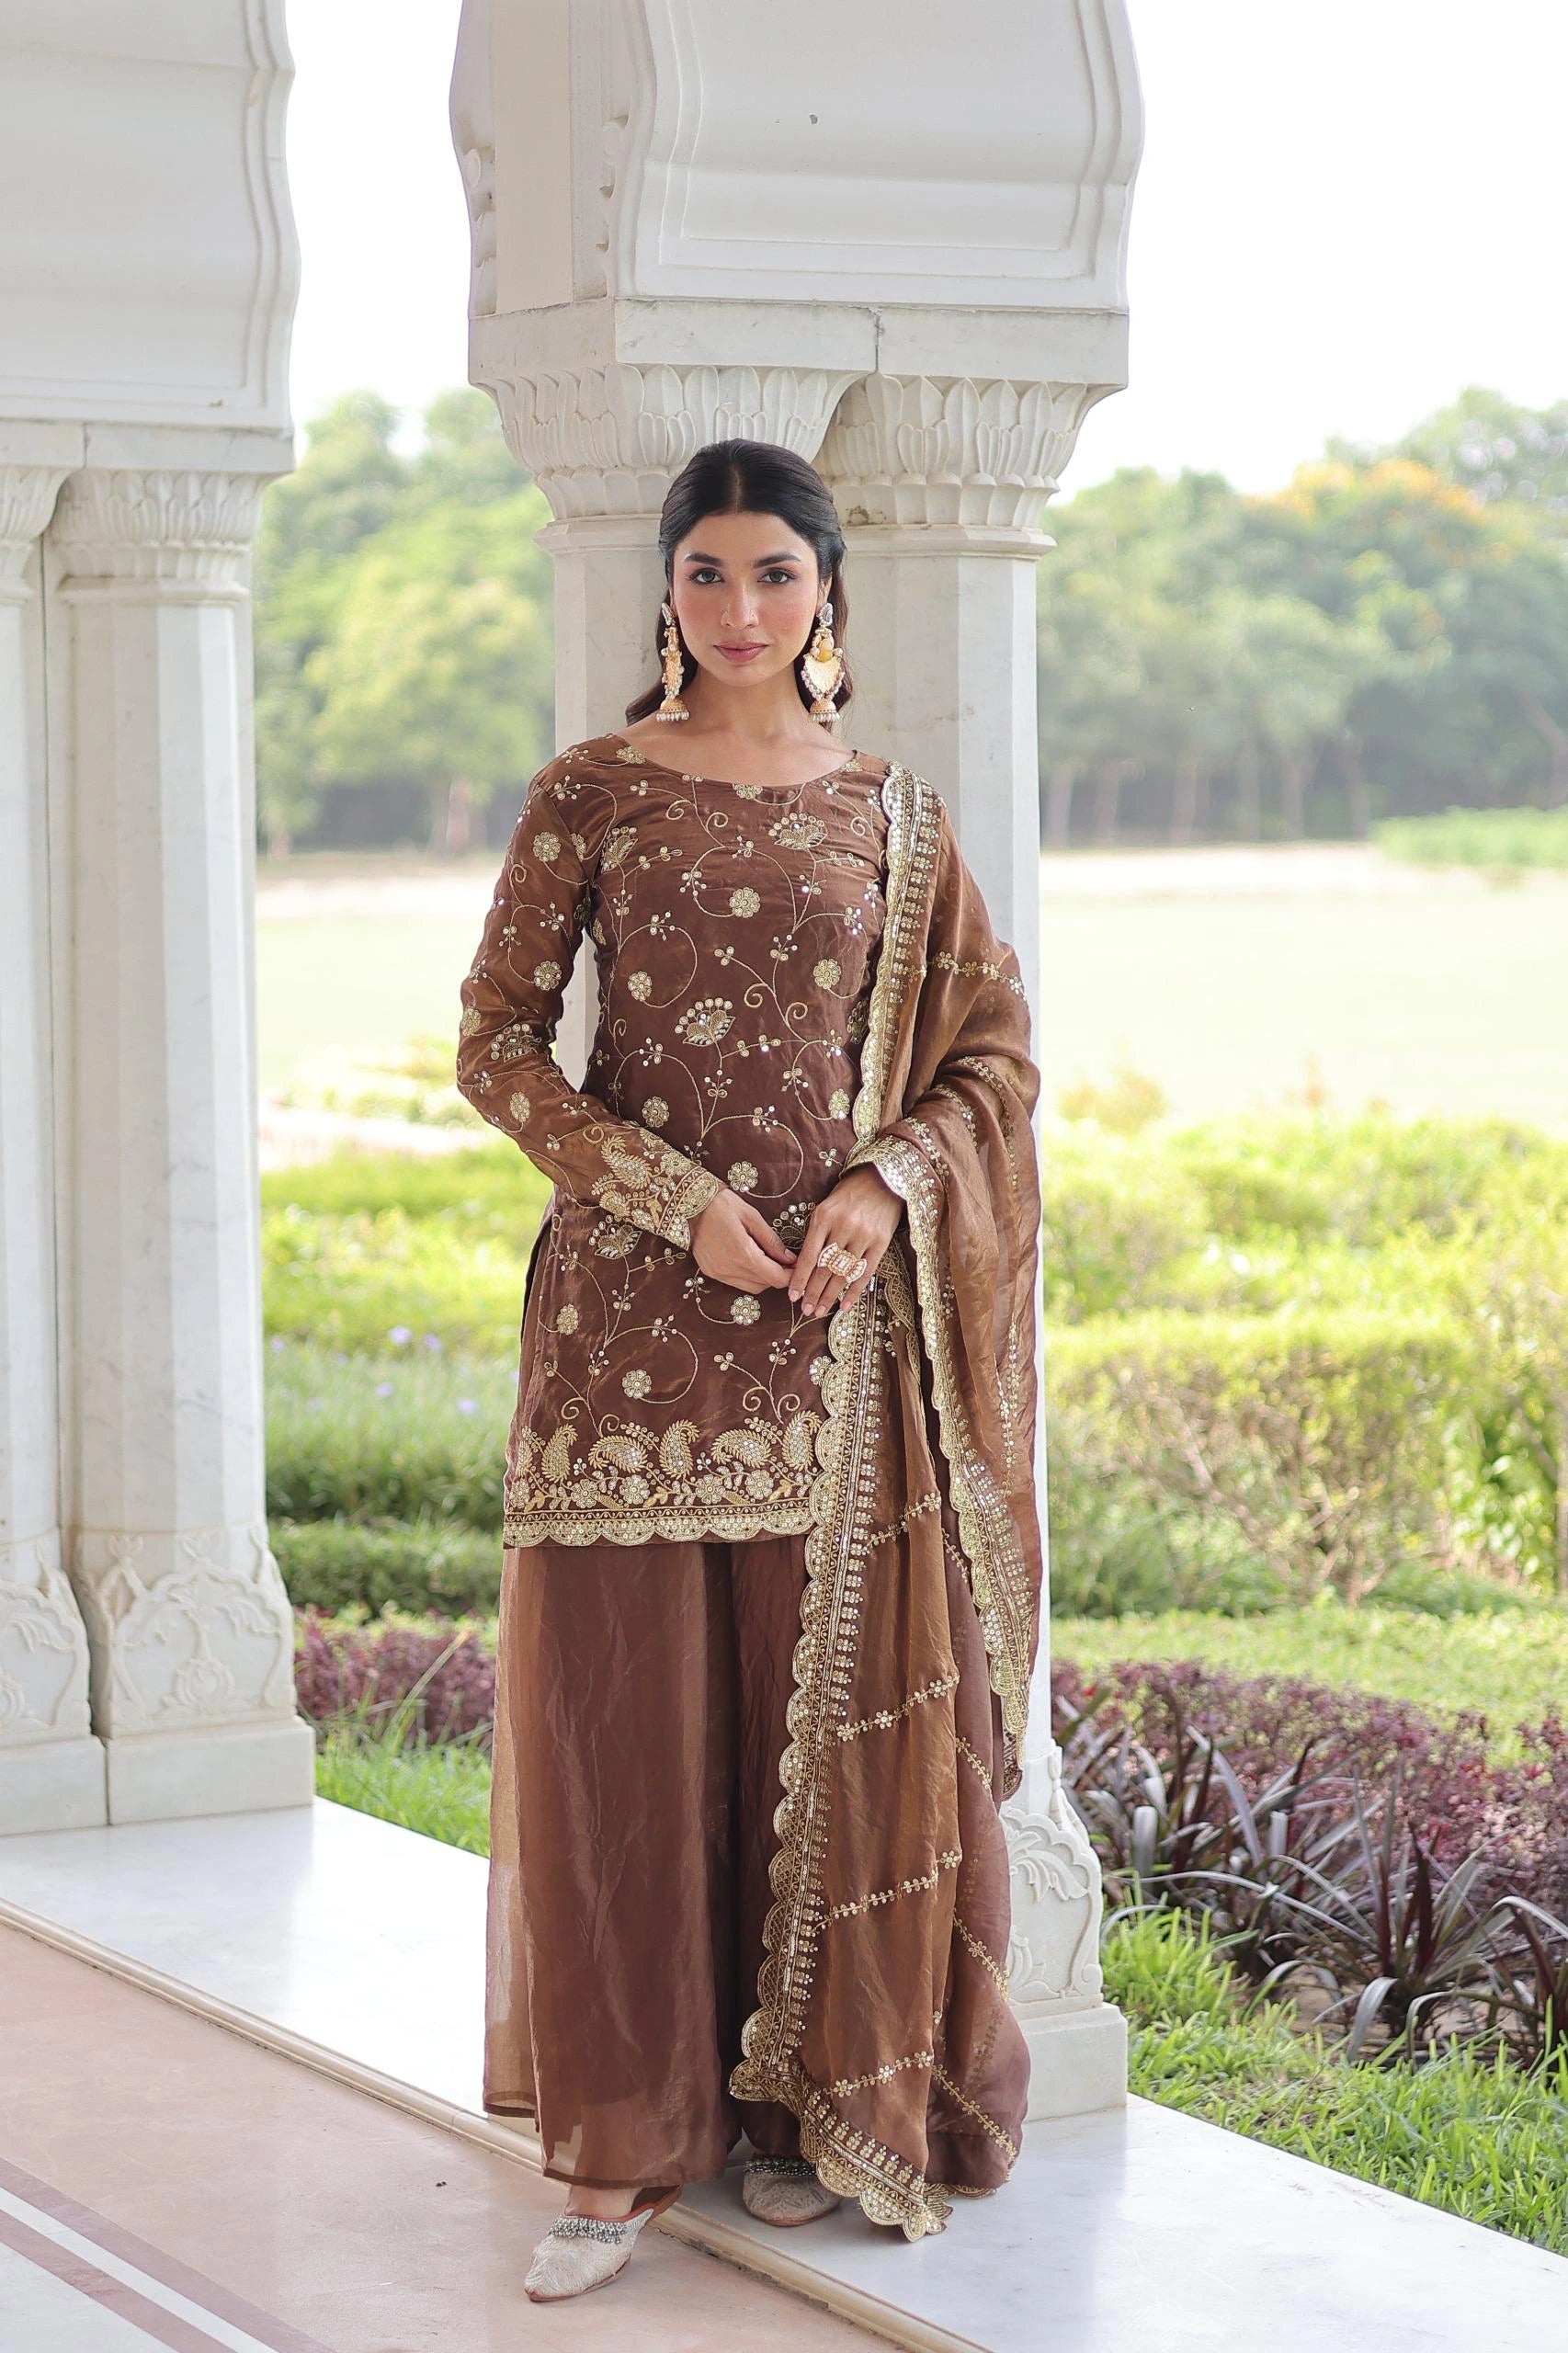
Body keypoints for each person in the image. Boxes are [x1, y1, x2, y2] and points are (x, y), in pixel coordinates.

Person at [454, 438, 1047, 2303]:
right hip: (631, 1335)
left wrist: (885, 1181)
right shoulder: (596, 792)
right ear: (665, 593)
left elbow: (994, 1054)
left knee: (817, 1720)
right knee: (619, 1731)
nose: (737, 611)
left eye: (772, 576)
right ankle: (620, 2143)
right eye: (706, 576)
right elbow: (496, 1048)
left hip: (830, 1345)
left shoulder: (894, 819)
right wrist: (667, 1197)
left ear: (827, 598)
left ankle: (803, 2103)